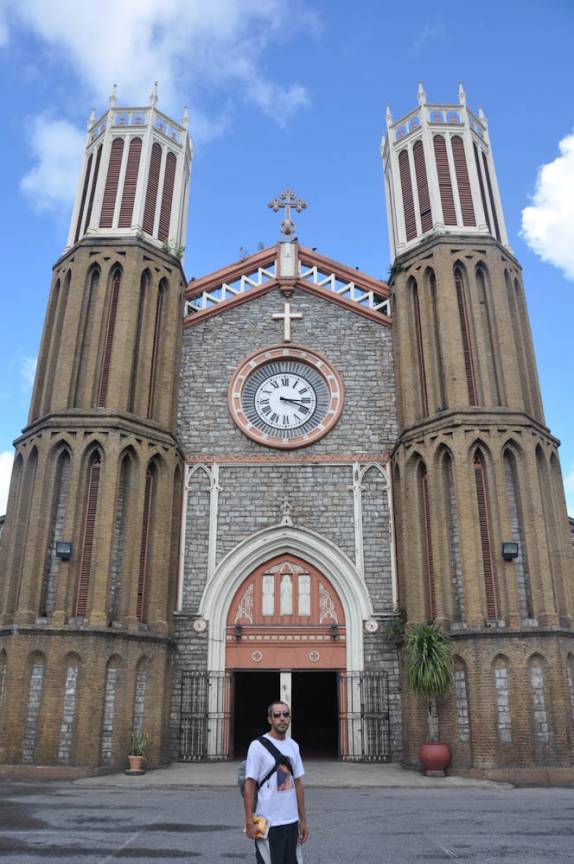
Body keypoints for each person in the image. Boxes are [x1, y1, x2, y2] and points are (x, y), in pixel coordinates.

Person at [244, 701, 309, 864]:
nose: (282, 718)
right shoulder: (257, 746)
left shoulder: (293, 746)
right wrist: (249, 820)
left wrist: (303, 820)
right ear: (270, 719)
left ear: (290, 718)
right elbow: (250, 785)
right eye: (277, 715)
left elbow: (298, 784)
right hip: (266, 823)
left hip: (291, 822)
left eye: (285, 714)